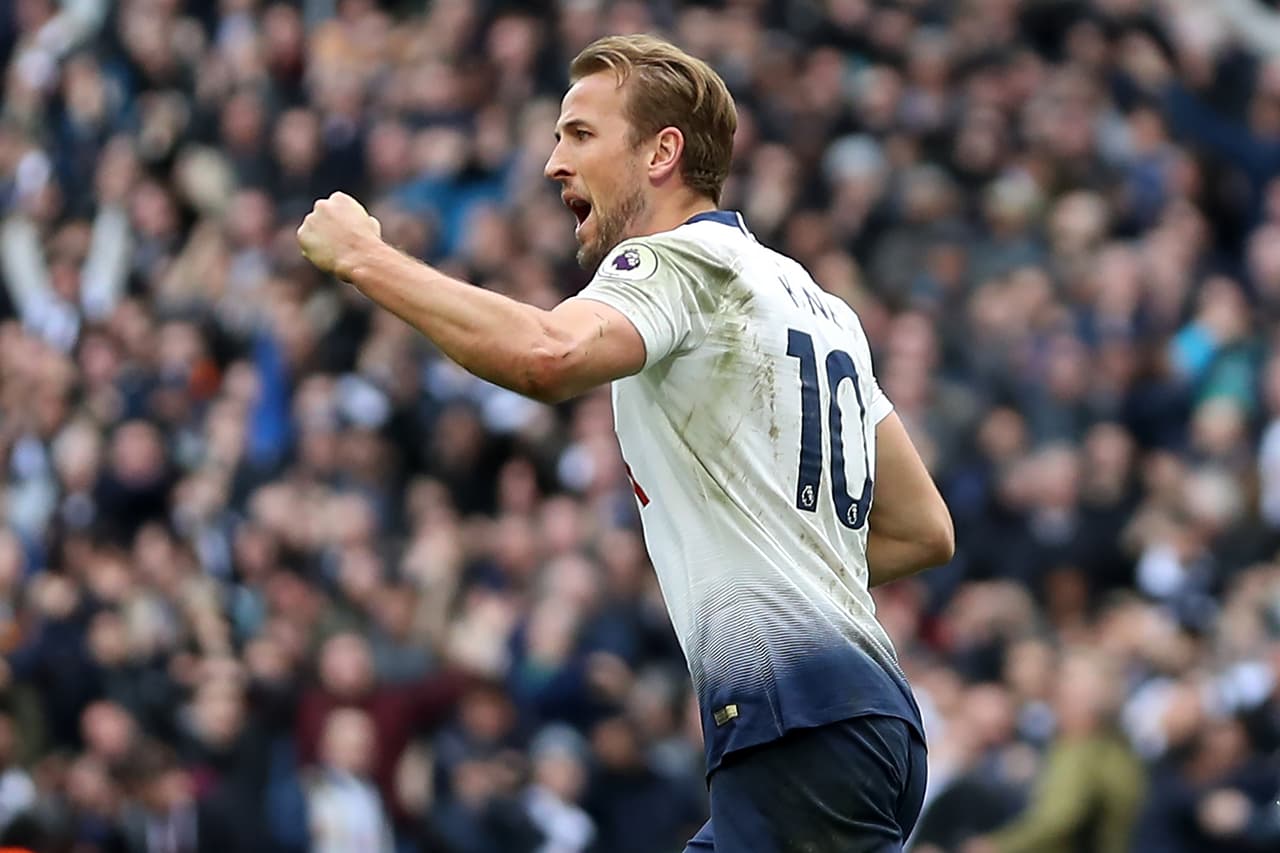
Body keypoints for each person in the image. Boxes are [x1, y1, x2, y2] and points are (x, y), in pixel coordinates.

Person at [296, 33, 954, 853]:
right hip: (857, 717)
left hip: (799, 718)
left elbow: (548, 353)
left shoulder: (678, 261)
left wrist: (365, 258)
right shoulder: (821, 306)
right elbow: (925, 528)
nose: (552, 163)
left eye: (579, 134)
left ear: (661, 154)